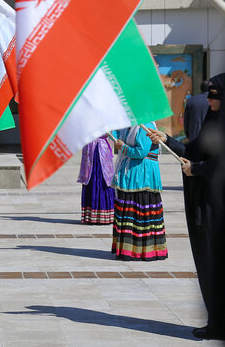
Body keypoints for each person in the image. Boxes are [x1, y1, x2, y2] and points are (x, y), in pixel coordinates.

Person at [147, 80, 225, 340]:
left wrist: (198, 169)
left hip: (218, 208)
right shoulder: (213, 122)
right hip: (205, 204)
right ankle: (215, 321)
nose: (209, 101)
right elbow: (192, 151)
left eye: (214, 96)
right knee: (208, 263)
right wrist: (166, 138)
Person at [110, 122, 167, 261]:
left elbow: (141, 151)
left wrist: (122, 147)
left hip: (143, 175)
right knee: (129, 211)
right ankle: (127, 250)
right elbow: (117, 137)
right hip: (130, 173)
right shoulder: (128, 125)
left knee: (140, 213)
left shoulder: (146, 125)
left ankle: (143, 251)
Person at [77, 136, 115, 224]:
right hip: (91, 149)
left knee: (104, 179)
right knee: (91, 177)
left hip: (102, 148)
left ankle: (105, 214)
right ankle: (91, 215)